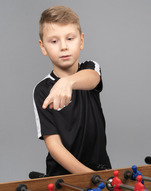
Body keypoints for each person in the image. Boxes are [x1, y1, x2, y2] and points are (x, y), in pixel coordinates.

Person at [33, 5, 111, 176]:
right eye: (54, 41)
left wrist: (67, 82)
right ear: (43, 46)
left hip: (100, 169)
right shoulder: (42, 90)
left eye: (70, 38)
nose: (63, 47)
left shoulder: (91, 68)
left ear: (81, 41)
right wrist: (89, 176)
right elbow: (55, 147)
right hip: (64, 179)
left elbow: (92, 79)